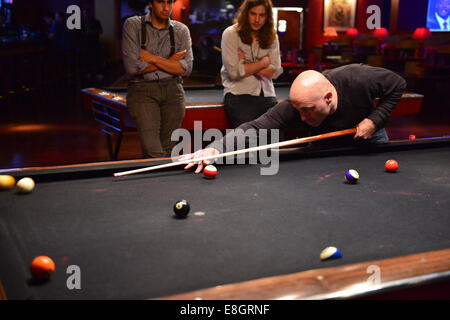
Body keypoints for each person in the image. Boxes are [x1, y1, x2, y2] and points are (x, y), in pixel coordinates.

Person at [184, 64, 407, 173]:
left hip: (370, 138)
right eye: (298, 110)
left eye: (308, 110)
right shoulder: (295, 108)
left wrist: (374, 120)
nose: (301, 117)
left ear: (328, 98)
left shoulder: (359, 79)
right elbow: (255, 127)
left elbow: (398, 84)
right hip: (325, 146)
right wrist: (216, 148)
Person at [122, 0, 193, 158]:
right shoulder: (133, 25)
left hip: (174, 90)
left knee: (169, 152)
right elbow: (132, 68)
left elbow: (186, 68)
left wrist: (150, 58)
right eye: (161, 1)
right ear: (151, 3)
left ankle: (159, 183)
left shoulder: (181, 30)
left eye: (170, 2)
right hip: (142, 90)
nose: (166, 7)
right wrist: (171, 61)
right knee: (153, 151)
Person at [221, 0, 283, 128]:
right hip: (238, 96)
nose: (257, 19)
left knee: (274, 142)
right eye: (253, 14)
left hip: (267, 95)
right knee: (249, 143)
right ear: (245, 14)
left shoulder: (272, 36)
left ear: (267, 17)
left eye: (262, 15)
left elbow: (275, 71)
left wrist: (244, 65)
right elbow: (234, 72)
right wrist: (263, 63)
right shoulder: (231, 33)